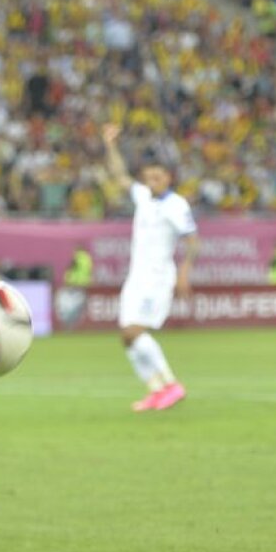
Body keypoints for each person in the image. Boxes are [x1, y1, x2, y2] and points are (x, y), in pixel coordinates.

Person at [101, 124, 199, 412]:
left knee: (134, 331)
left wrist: (184, 273)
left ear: (168, 177)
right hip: (136, 277)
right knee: (126, 336)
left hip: (157, 278)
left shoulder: (176, 205)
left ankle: (172, 384)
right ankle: (155, 390)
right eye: (149, 177)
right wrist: (110, 144)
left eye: (158, 176)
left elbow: (193, 241)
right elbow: (119, 176)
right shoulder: (143, 196)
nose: (152, 181)